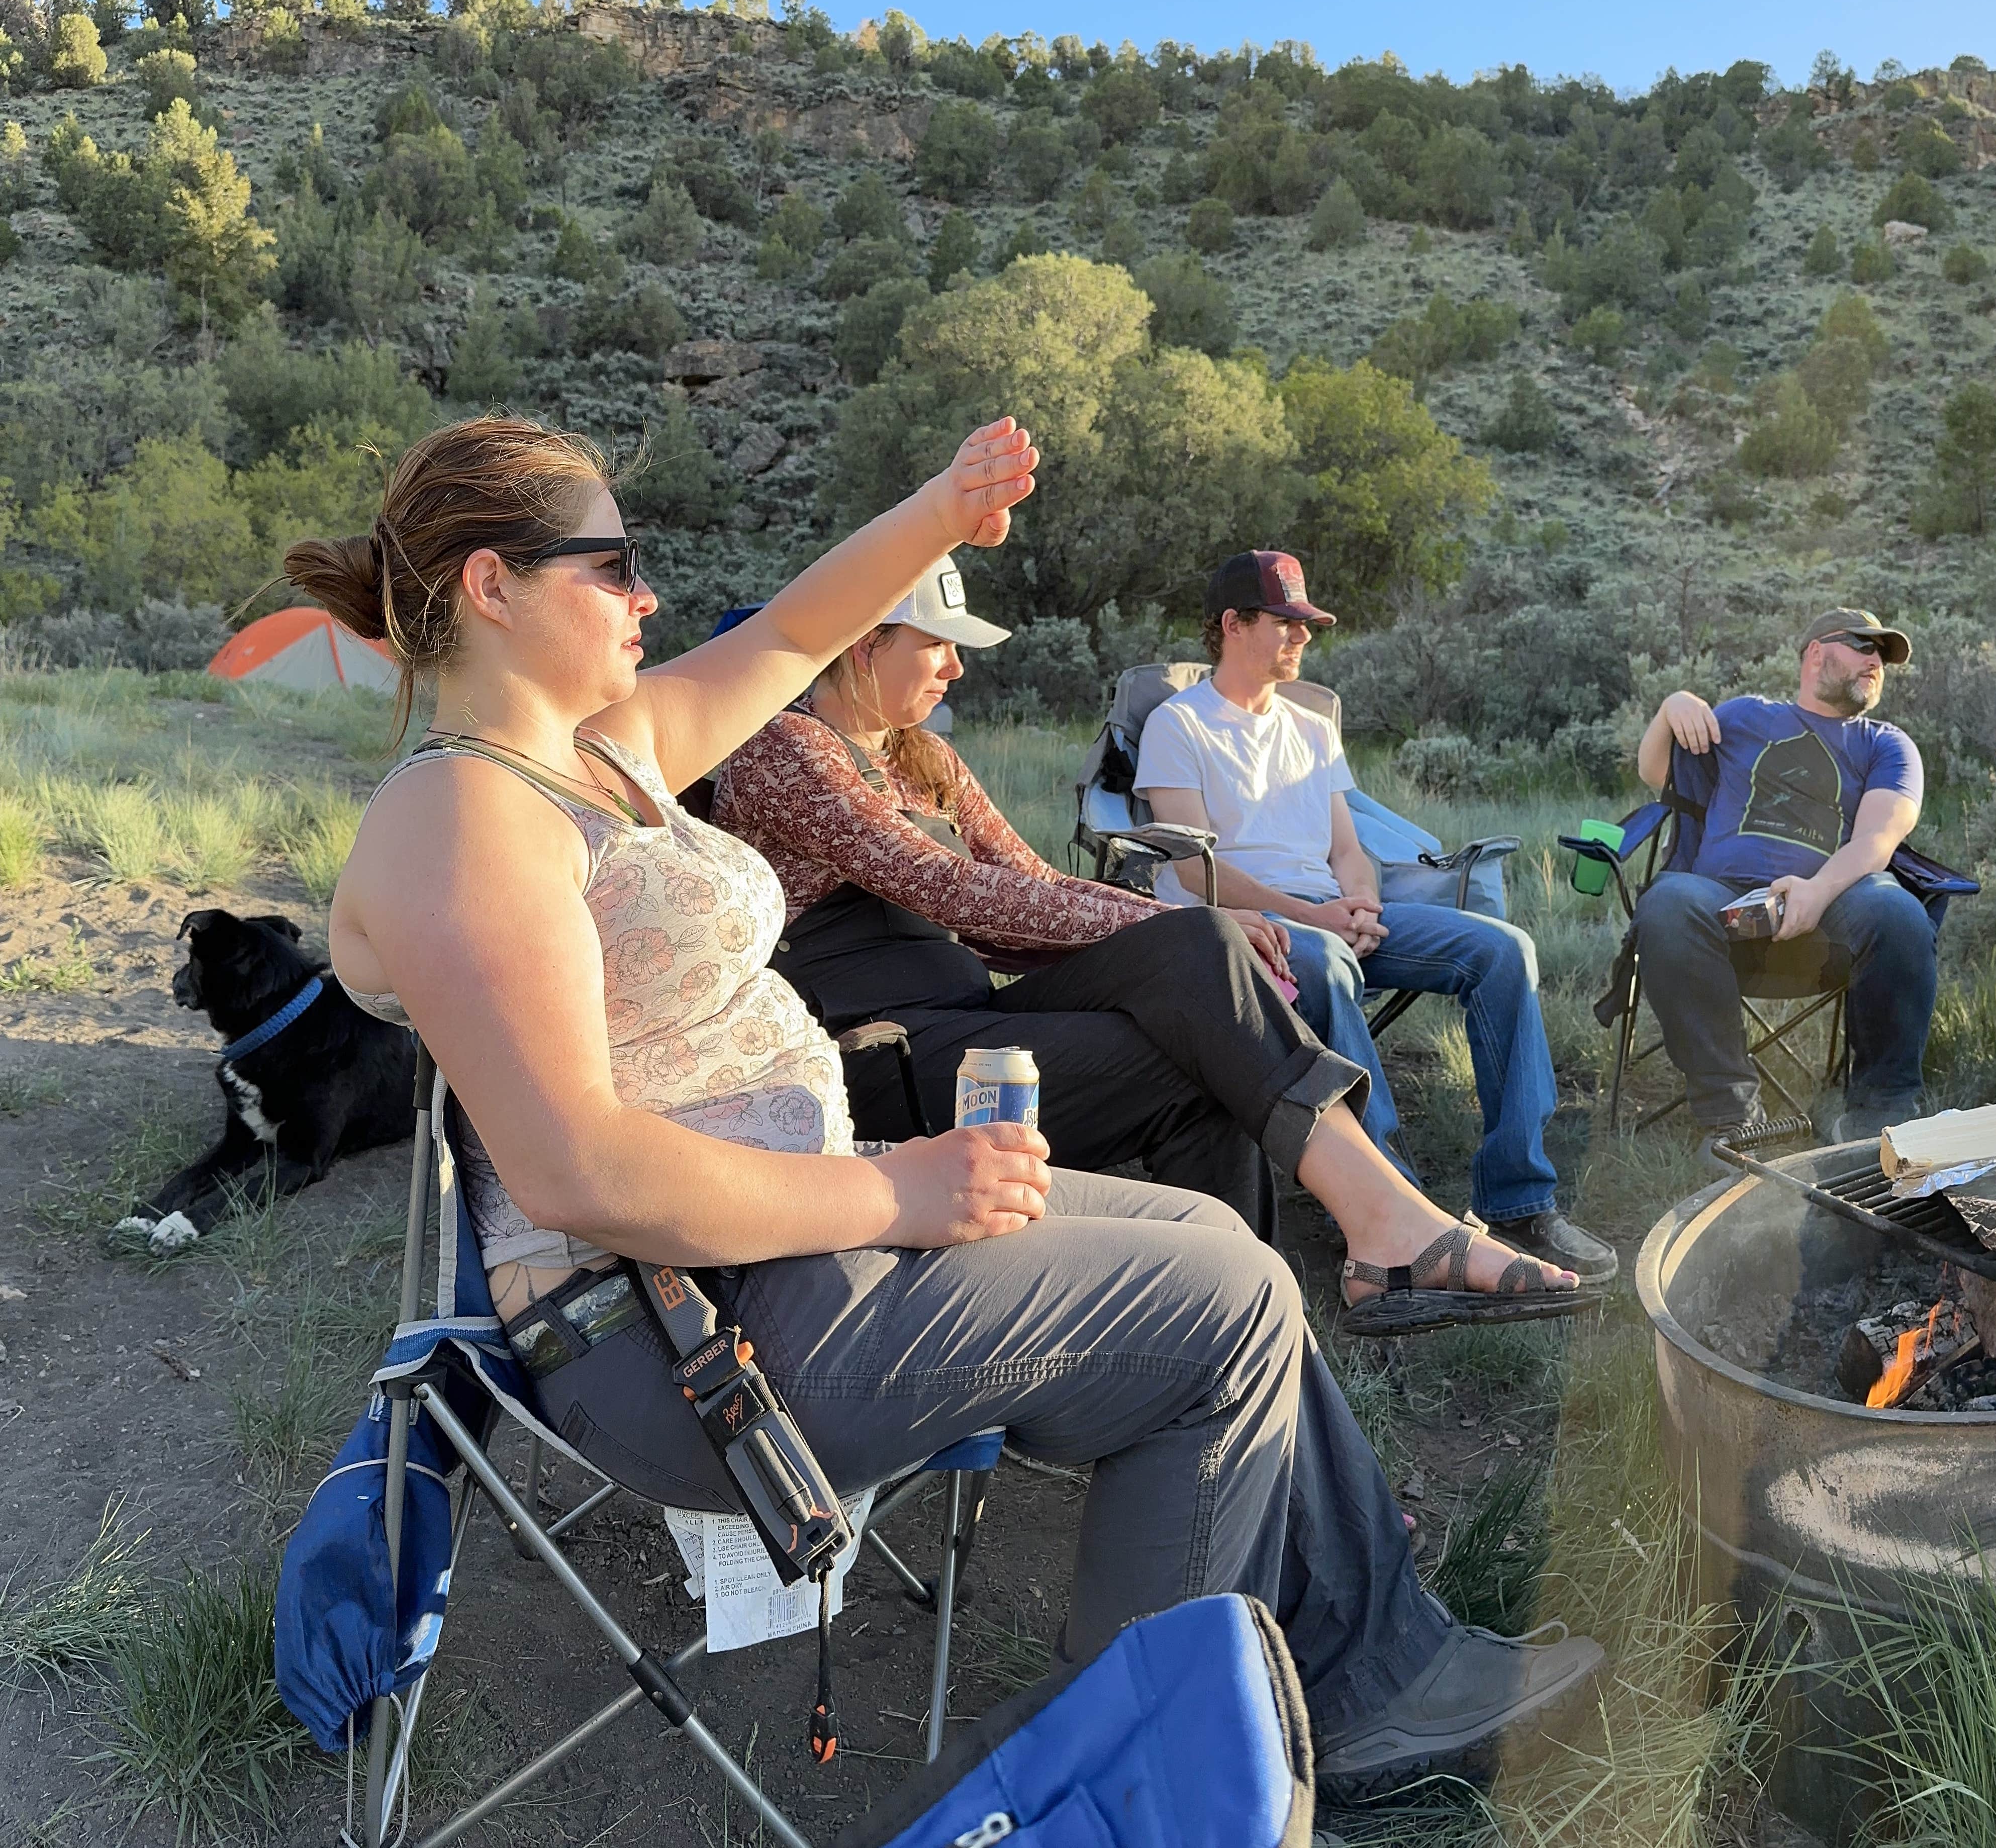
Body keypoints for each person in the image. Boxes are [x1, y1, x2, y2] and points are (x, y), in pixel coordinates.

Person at [289, 415, 1598, 1798]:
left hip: (779, 1255)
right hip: (689, 1339)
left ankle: (1325, 1676)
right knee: (1222, 1316)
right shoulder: (459, 823)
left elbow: (794, 639)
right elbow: (579, 1171)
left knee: (1227, 1255)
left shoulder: (597, 754)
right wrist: (898, 1191)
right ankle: (1145, 1780)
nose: (648, 597)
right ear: (492, 586)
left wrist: (941, 507)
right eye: (613, 567)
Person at [705, 557, 1593, 1331]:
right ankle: (1373, 1235)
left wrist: (1178, 930)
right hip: (879, 1056)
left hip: (972, 1028)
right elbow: (949, 888)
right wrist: (1160, 920)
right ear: (865, 644)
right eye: (935, 644)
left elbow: (1037, 885)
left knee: (1201, 1007)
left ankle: (1274, 1330)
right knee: (1189, 946)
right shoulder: (787, 748)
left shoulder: (924, 760)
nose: (955, 667)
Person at [1132, 551, 1612, 1283]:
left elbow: (1348, 847)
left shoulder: (1310, 727)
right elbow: (1195, 870)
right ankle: (1393, 1207)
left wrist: (1363, 905)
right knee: (1324, 964)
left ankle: (1521, 1199)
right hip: (1246, 931)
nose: (1303, 638)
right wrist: (1315, 917)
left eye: (1308, 626)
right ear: (1233, 625)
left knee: (1505, 950)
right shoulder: (1180, 726)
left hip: (1330, 914)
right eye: (1286, 623)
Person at [1633, 609, 1937, 1142]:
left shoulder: (1887, 744)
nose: (1875, 663)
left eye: (1882, 657)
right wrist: (1670, 709)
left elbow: (1877, 839)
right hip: (1720, 908)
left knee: (1899, 911)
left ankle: (1879, 1118)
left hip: (1830, 921)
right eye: (1864, 647)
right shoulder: (1746, 717)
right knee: (1667, 902)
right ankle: (1732, 1120)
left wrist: (1817, 891)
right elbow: (1662, 777)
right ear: (1816, 652)